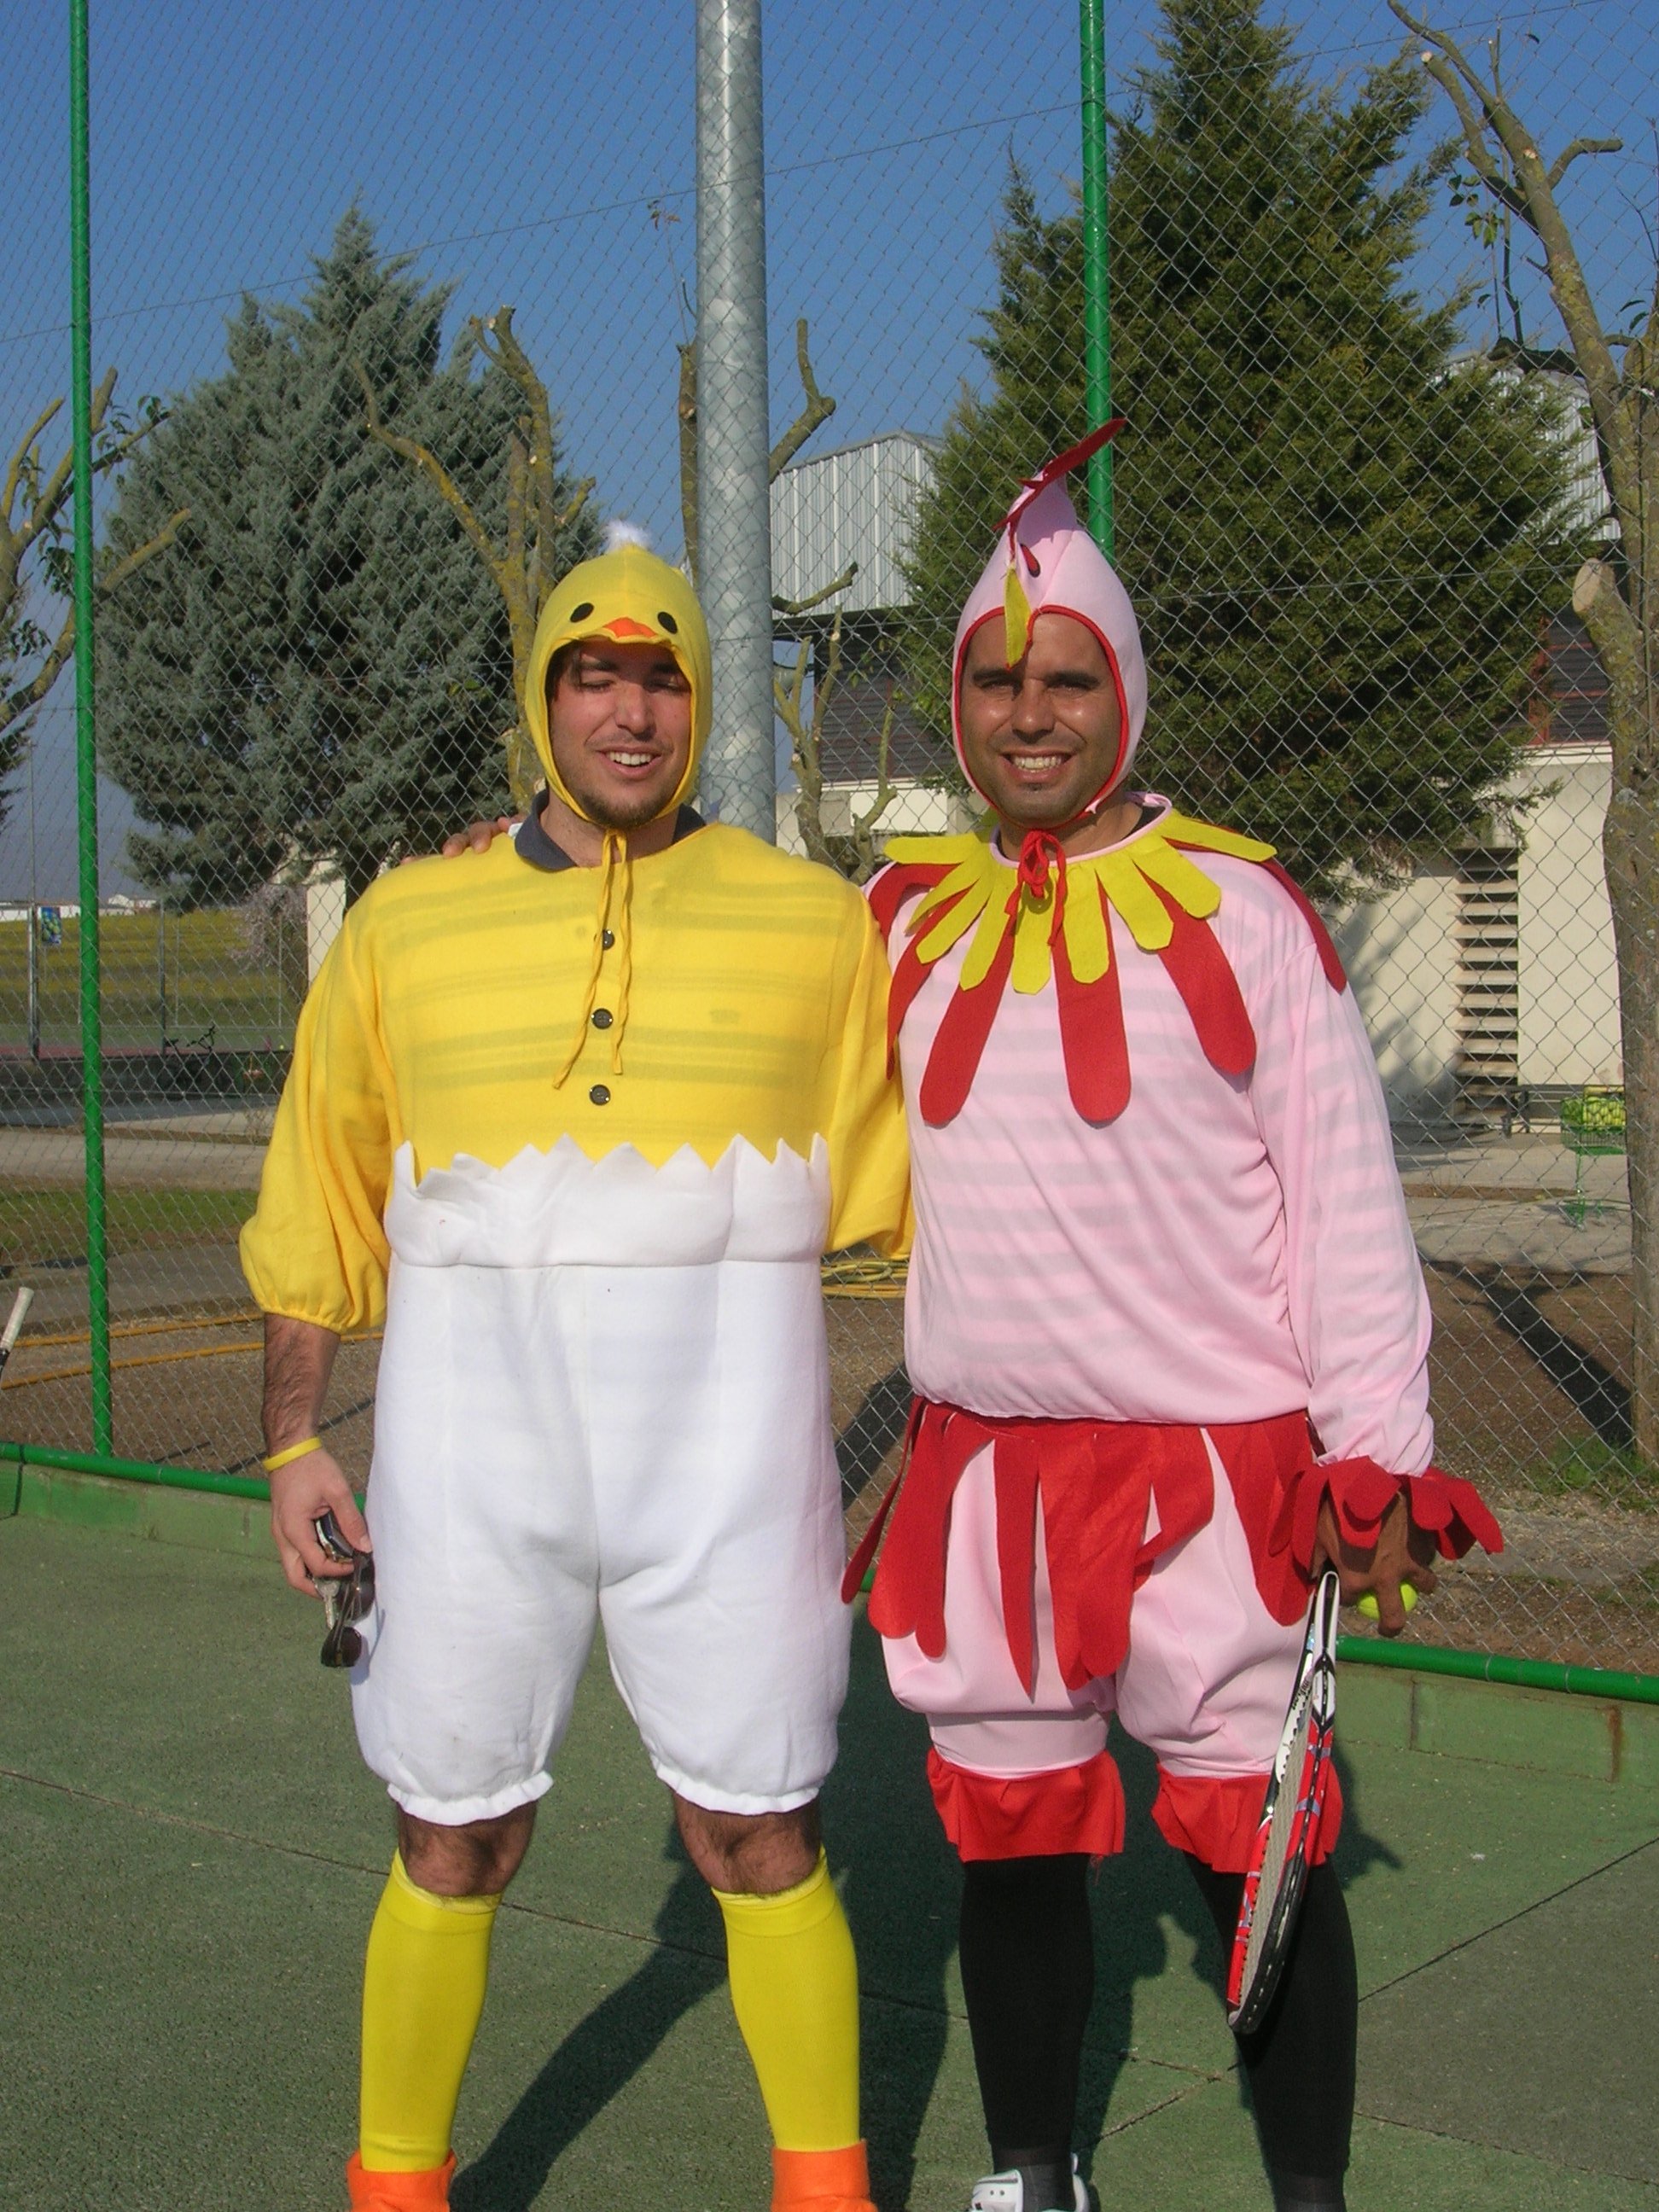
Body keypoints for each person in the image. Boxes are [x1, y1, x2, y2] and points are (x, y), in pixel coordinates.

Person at [848, 428, 1503, 2212]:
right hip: (991, 1477)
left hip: (1220, 1476)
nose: (1029, 713)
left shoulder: (1249, 915)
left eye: (1068, 680)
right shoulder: (897, 922)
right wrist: (541, 855)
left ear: (1125, 695)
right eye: (996, 680)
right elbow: (739, 1010)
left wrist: (1376, 1455)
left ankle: (1310, 2202)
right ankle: (1034, 2176)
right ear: (957, 702)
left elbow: (1346, 1207)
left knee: (1254, 1850)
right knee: (1013, 1843)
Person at [240, 526, 909, 2212]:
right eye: (592, 676)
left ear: (704, 699)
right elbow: (321, 1183)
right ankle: (397, 2191)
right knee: (454, 1832)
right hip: (470, 1474)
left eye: (661, 678)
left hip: (730, 1478)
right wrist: (295, 1439)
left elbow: (933, 1172)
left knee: (758, 1829)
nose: (629, 712)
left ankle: (826, 2194)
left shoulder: (818, 927)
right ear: (542, 701)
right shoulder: (408, 922)